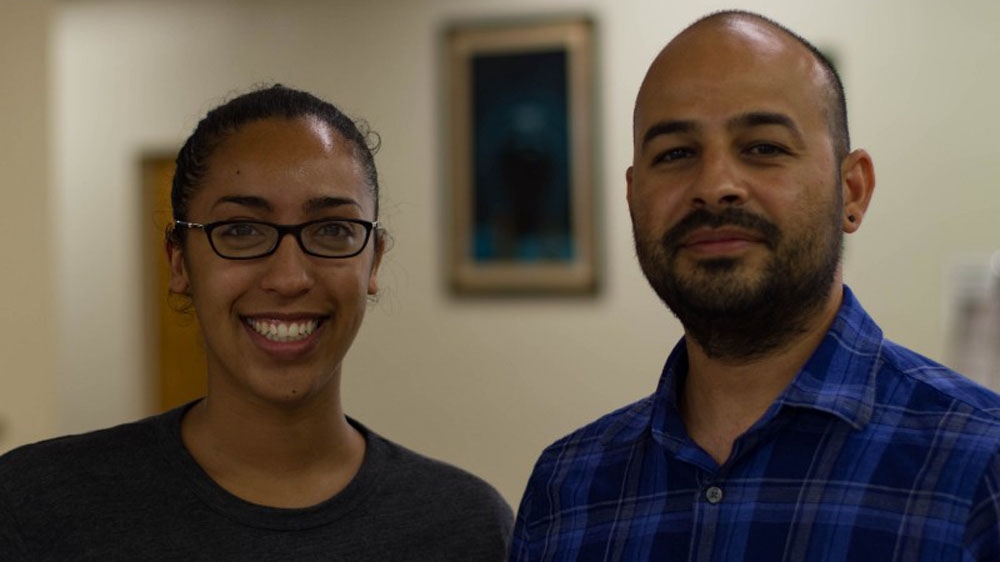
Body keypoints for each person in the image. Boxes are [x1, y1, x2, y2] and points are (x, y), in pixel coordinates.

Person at [510, 10, 1000, 561]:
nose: (714, 185)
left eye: (763, 147)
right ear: (632, 197)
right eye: (675, 154)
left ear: (853, 191)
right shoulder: (566, 492)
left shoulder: (982, 469)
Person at [0, 85, 512, 561]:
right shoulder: (37, 507)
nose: (289, 278)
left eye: (333, 229)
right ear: (179, 261)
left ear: (373, 261)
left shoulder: (465, 528)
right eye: (242, 230)